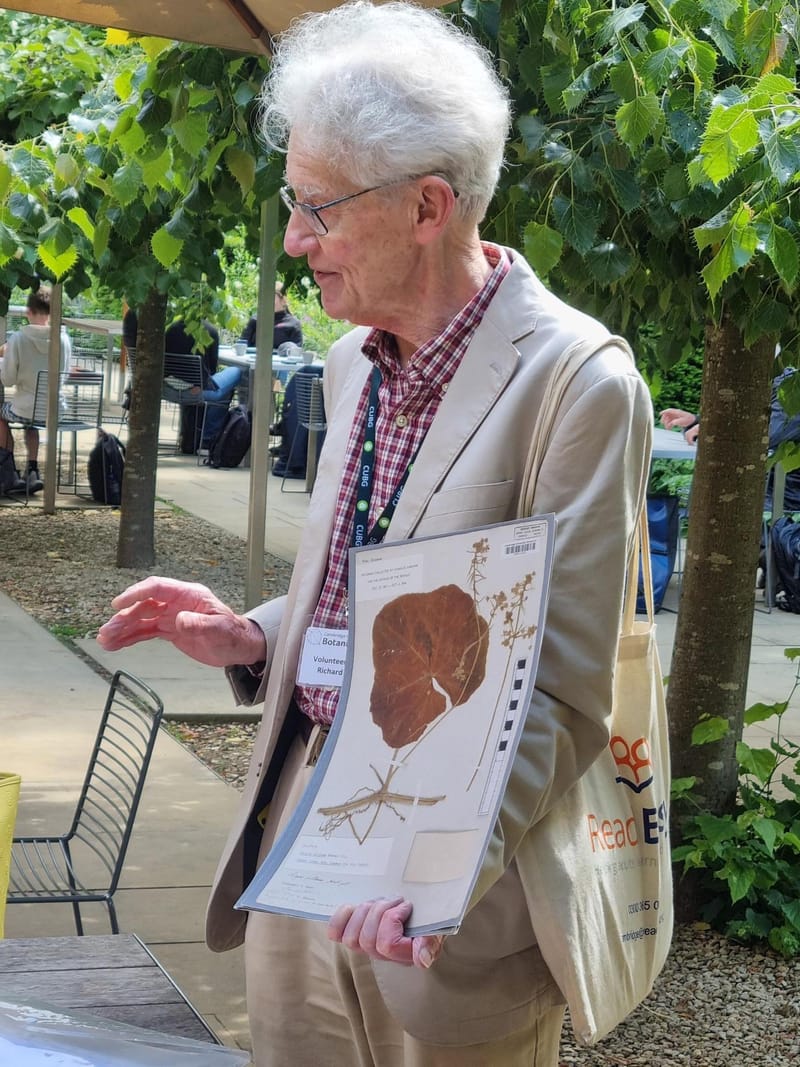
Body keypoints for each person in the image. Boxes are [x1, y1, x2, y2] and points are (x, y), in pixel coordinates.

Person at [98, 4, 652, 1065]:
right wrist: (257, 635)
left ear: (426, 208)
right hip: (298, 837)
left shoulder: (577, 384)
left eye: (317, 208)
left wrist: (433, 872)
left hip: (443, 909)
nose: (296, 237)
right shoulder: (353, 360)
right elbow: (369, 584)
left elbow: (568, 686)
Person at [661, 369, 800, 513]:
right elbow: (748, 424)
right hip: (761, 485)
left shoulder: (792, 384)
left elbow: (765, 435)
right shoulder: (780, 379)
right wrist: (695, 422)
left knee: (710, 501)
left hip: (782, 494)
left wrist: (713, 429)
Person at [122, 309, 242, 448]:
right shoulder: (209, 331)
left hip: (159, 388)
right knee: (236, 372)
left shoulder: (158, 327)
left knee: (222, 387)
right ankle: (207, 438)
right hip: (195, 393)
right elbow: (211, 371)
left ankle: (200, 438)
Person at [0, 287, 73, 493]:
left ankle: (8, 470)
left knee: (2, 415)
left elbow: (7, 380)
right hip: (54, 409)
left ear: (28, 311)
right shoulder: (64, 340)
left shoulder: (18, 339)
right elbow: (64, 376)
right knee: (31, 423)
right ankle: (32, 469)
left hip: (25, 408)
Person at [240, 282, 303, 350]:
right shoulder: (256, 320)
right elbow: (241, 346)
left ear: (283, 300)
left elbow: (296, 352)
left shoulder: (293, 324)